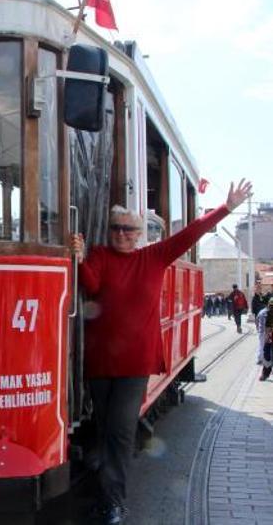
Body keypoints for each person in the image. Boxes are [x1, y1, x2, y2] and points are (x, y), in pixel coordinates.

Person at [70, 179, 252, 525]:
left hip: (135, 362)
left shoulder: (154, 257)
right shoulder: (99, 256)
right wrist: (79, 259)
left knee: (120, 432)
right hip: (100, 361)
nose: (122, 233)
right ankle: (105, 497)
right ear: (109, 231)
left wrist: (226, 208)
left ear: (139, 234)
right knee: (106, 428)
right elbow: (90, 286)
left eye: (129, 229)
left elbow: (192, 233)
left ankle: (115, 504)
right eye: (116, 228)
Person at [257, 297, 273, 380]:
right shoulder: (265, 313)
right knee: (267, 356)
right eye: (271, 306)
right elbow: (265, 327)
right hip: (269, 338)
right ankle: (265, 374)